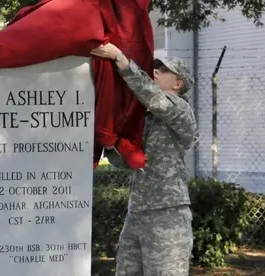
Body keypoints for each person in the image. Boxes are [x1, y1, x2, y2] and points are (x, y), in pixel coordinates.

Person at [90, 44, 199, 275]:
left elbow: (154, 98)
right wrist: (110, 144)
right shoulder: (145, 117)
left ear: (178, 83)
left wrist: (120, 58)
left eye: (163, 70)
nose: (156, 71)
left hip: (167, 214)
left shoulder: (181, 110)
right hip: (137, 211)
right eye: (155, 68)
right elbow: (130, 161)